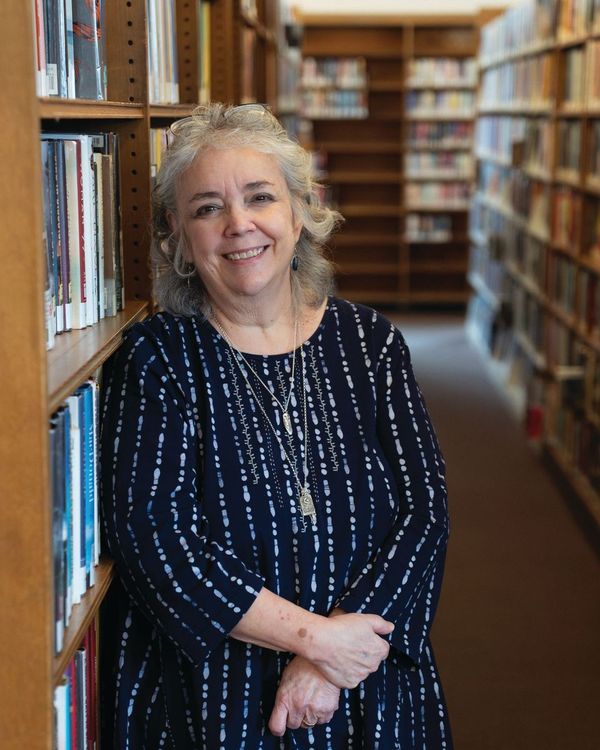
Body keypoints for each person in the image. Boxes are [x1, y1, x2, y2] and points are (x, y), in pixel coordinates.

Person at [99, 102, 452, 749]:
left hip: (367, 680)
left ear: (299, 210)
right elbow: (153, 538)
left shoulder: (369, 342)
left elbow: (424, 509)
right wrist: (313, 639)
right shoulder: (155, 359)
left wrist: (333, 660)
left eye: (259, 197)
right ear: (176, 235)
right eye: (208, 208)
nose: (239, 225)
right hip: (217, 701)